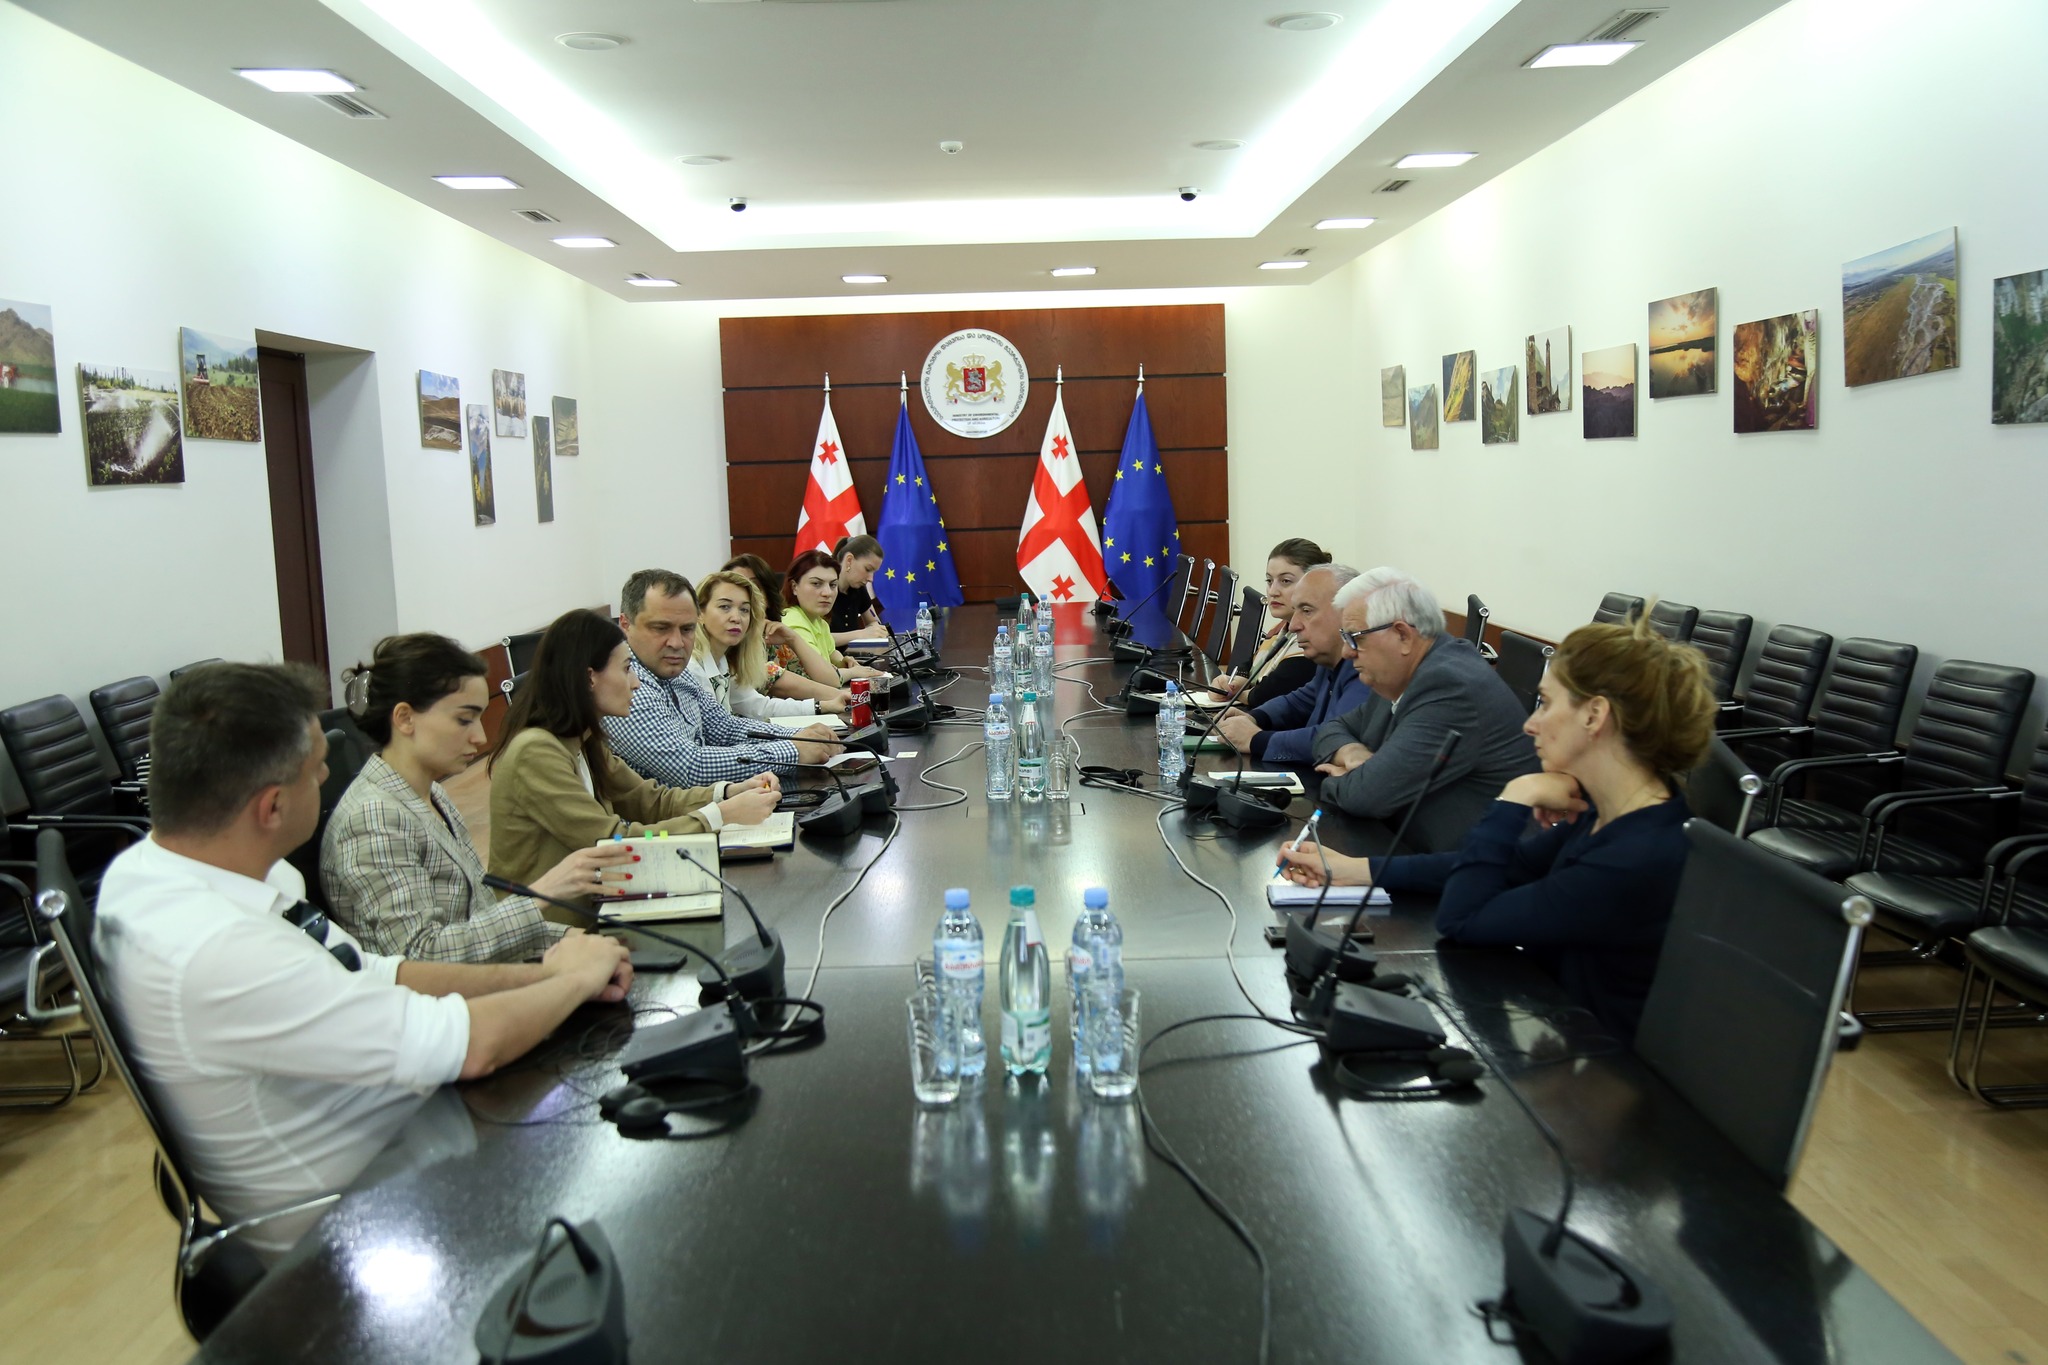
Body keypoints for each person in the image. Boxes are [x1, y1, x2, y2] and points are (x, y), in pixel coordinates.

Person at [94, 662, 635, 1260]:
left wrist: (542, 977)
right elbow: (471, 1045)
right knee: (612, 1167)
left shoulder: (158, 870)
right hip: (360, 1218)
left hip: (396, 1137)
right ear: (271, 808)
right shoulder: (222, 949)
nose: (329, 777)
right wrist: (574, 979)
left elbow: (375, 970)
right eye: (316, 769)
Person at [1278, 612, 1718, 1041]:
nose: (1531, 723)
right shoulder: (1612, 815)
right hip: (1552, 1026)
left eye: (1546, 703)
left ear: (1594, 715)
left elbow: (1463, 919)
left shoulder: (1634, 855)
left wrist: (1516, 797)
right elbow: (1508, 866)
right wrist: (1357, 869)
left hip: (1594, 1066)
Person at [323, 634, 638, 962]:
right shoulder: (373, 817)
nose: (480, 736)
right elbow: (421, 957)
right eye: (464, 719)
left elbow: (478, 918)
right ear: (404, 718)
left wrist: (573, 938)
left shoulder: (432, 794)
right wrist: (541, 894)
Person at [488, 609, 781, 898]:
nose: (635, 683)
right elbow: (613, 841)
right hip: (558, 922)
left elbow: (651, 801)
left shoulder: (584, 741)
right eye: (626, 669)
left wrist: (727, 793)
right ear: (590, 678)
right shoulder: (536, 752)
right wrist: (720, 815)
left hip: (598, 900)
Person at [1309, 568, 1538, 851]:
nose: (1347, 651)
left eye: (1356, 637)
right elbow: (1332, 728)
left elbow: (1365, 796)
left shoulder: (1450, 687)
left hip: (1475, 866)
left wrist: (1338, 780)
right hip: (1407, 847)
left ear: (1403, 635)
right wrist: (1353, 753)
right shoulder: (1400, 673)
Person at [605, 569, 843, 787]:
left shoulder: (676, 671)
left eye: (686, 629)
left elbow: (724, 727)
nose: (677, 643)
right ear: (626, 624)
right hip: (666, 819)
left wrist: (799, 737)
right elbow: (691, 768)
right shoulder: (628, 687)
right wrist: (793, 750)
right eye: (660, 628)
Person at [1212, 564, 1373, 765]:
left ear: (1348, 614)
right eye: (1296, 611)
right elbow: (1301, 701)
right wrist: (1255, 718)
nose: (1294, 625)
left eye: (1306, 611)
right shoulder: (1328, 660)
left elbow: (1335, 737)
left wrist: (1255, 739)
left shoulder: (1366, 668)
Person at [692, 569, 847, 720]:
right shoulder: (693, 670)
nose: (736, 618)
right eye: (724, 607)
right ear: (699, 613)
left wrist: (823, 706)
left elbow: (760, 707)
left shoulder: (722, 663)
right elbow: (722, 730)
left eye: (744, 610)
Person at [1204, 537, 1330, 710]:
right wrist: (1234, 681)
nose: (1273, 591)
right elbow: (1250, 664)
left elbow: (1266, 694)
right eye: (1269, 581)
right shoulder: (1282, 627)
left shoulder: (1313, 641)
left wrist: (1234, 692)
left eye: (1285, 581)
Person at [723, 553, 855, 707]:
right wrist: (849, 695)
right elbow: (774, 680)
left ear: (767, 598)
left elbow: (828, 680)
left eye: (752, 587)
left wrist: (793, 639)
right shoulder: (720, 643)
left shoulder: (771, 634)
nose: (827, 593)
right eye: (816, 584)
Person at [780, 550, 890, 686]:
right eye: (816, 584)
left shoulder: (819, 621)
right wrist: (854, 672)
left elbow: (832, 654)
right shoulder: (792, 621)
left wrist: (843, 662)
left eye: (833, 585)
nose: (827, 593)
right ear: (794, 587)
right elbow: (823, 677)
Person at [828, 534, 890, 643]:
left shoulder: (858, 587)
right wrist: (861, 634)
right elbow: (816, 639)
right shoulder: (824, 589)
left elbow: (873, 621)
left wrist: (877, 630)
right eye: (868, 569)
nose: (871, 579)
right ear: (849, 560)